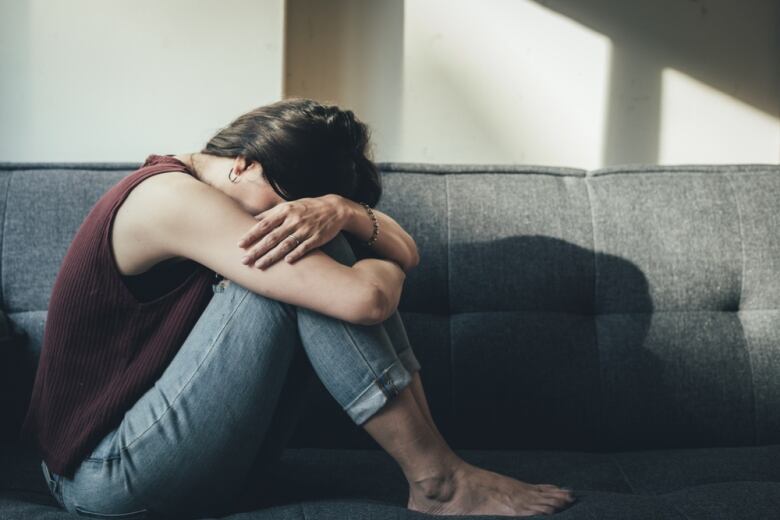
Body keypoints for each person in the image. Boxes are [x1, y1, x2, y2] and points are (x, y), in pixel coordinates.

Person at [23, 98, 576, 519]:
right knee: (310, 262)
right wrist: (362, 257)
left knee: (318, 252)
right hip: (104, 474)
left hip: (191, 457)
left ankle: (440, 477)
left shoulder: (219, 189)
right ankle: (439, 481)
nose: (294, 217)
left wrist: (345, 212)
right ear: (243, 164)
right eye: (289, 202)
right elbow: (366, 297)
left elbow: (405, 252)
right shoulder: (167, 197)